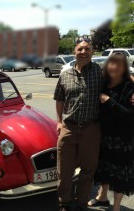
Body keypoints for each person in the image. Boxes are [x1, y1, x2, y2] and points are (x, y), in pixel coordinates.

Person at [54, 38, 103, 211]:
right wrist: (59, 121)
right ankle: (65, 202)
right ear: (74, 52)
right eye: (80, 49)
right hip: (69, 128)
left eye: (87, 49)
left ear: (92, 51)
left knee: (88, 170)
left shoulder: (100, 72)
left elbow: (123, 78)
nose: (83, 52)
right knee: (64, 171)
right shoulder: (65, 74)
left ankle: (82, 202)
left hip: (91, 129)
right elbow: (59, 98)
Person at [88, 53, 134, 211]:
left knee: (120, 174)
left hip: (122, 138)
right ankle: (102, 197)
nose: (114, 67)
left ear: (124, 68)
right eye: (111, 63)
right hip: (104, 135)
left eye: (119, 65)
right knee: (104, 169)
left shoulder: (129, 87)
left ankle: (116, 207)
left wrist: (109, 101)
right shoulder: (104, 83)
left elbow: (129, 115)